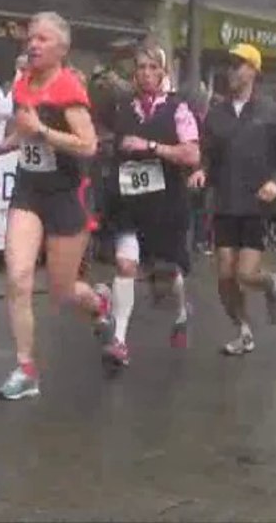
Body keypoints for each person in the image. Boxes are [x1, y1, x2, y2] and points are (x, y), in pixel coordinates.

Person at [0, 12, 112, 400]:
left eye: (43, 39)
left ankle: (98, 303)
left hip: (64, 196)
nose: (33, 44)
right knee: (18, 277)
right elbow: (22, 129)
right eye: (31, 38)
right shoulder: (22, 81)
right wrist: (1, 146)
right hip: (28, 190)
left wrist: (42, 131)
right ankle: (25, 369)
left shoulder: (68, 88)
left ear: (61, 49)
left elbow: (89, 145)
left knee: (61, 292)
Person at [188, 43, 276, 356]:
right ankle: (243, 330)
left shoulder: (272, 112)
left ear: (253, 70)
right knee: (225, 276)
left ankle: (271, 283)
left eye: (239, 65)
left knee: (245, 274)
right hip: (225, 202)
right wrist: (200, 172)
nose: (232, 71)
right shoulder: (217, 113)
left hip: (256, 204)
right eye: (230, 64)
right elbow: (208, 155)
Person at [102, 41, 201, 366]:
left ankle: (181, 308)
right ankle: (119, 341)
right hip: (129, 203)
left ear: (163, 73)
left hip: (166, 204)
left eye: (152, 68)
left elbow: (191, 153)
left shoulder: (178, 110)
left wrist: (152, 146)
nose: (145, 74)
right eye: (140, 67)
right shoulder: (122, 107)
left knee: (166, 274)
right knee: (125, 265)